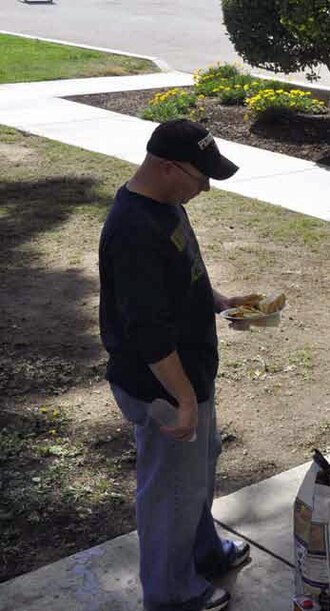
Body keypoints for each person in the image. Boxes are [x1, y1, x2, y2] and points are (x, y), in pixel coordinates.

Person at [98, 119, 253, 611]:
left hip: (189, 378)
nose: (205, 186)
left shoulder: (167, 205)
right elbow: (147, 333)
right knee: (169, 493)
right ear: (166, 167)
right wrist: (184, 399)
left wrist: (224, 303)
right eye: (199, 175)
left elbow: (186, 277)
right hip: (161, 387)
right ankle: (171, 594)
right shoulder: (133, 230)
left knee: (197, 476)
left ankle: (203, 554)